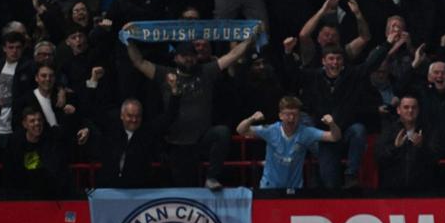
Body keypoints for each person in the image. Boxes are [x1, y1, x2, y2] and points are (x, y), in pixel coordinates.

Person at [125, 24, 259, 190]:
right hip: (175, 145)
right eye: (184, 56)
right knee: (184, 189)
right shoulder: (165, 74)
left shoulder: (206, 72)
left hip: (201, 141)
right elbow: (139, 62)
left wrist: (249, 39)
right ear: (175, 58)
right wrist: (128, 40)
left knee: (222, 132)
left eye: (191, 55)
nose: (188, 59)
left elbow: (232, 55)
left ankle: (211, 177)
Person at [237, 98, 340, 190]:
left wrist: (332, 124)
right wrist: (252, 119)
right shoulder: (270, 130)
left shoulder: (306, 132)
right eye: (287, 115)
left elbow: (334, 137)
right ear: (280, 115)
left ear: (299, 116)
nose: (291, 118)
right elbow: (240, 130)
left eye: (294, 115)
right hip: (269, 187)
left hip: (294, 189)